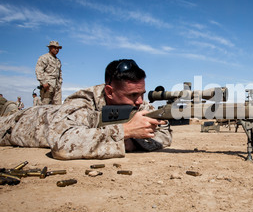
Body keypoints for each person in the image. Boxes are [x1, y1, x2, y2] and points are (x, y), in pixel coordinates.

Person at [0, 59, 172, 160]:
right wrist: (124, 132)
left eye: (141, 93)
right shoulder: (82, 101)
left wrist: (133, 142)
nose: (140, 101)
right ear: (110, 92)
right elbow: (62, 145)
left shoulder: (137, 104)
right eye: (133, 95)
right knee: (8, 112)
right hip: (18, 123)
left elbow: (164, 134)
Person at [35, 41, 63, 105]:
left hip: (57, 86)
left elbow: (59, 73)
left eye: (58, 48)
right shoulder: (44, 57)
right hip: (48, 86)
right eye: (55, 48)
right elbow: (39, 70)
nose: (57, 50)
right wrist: (44, 82)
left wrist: (60, 82)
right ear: (50, 48)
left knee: (57, 107)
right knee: (45, 106)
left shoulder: (58, 61)